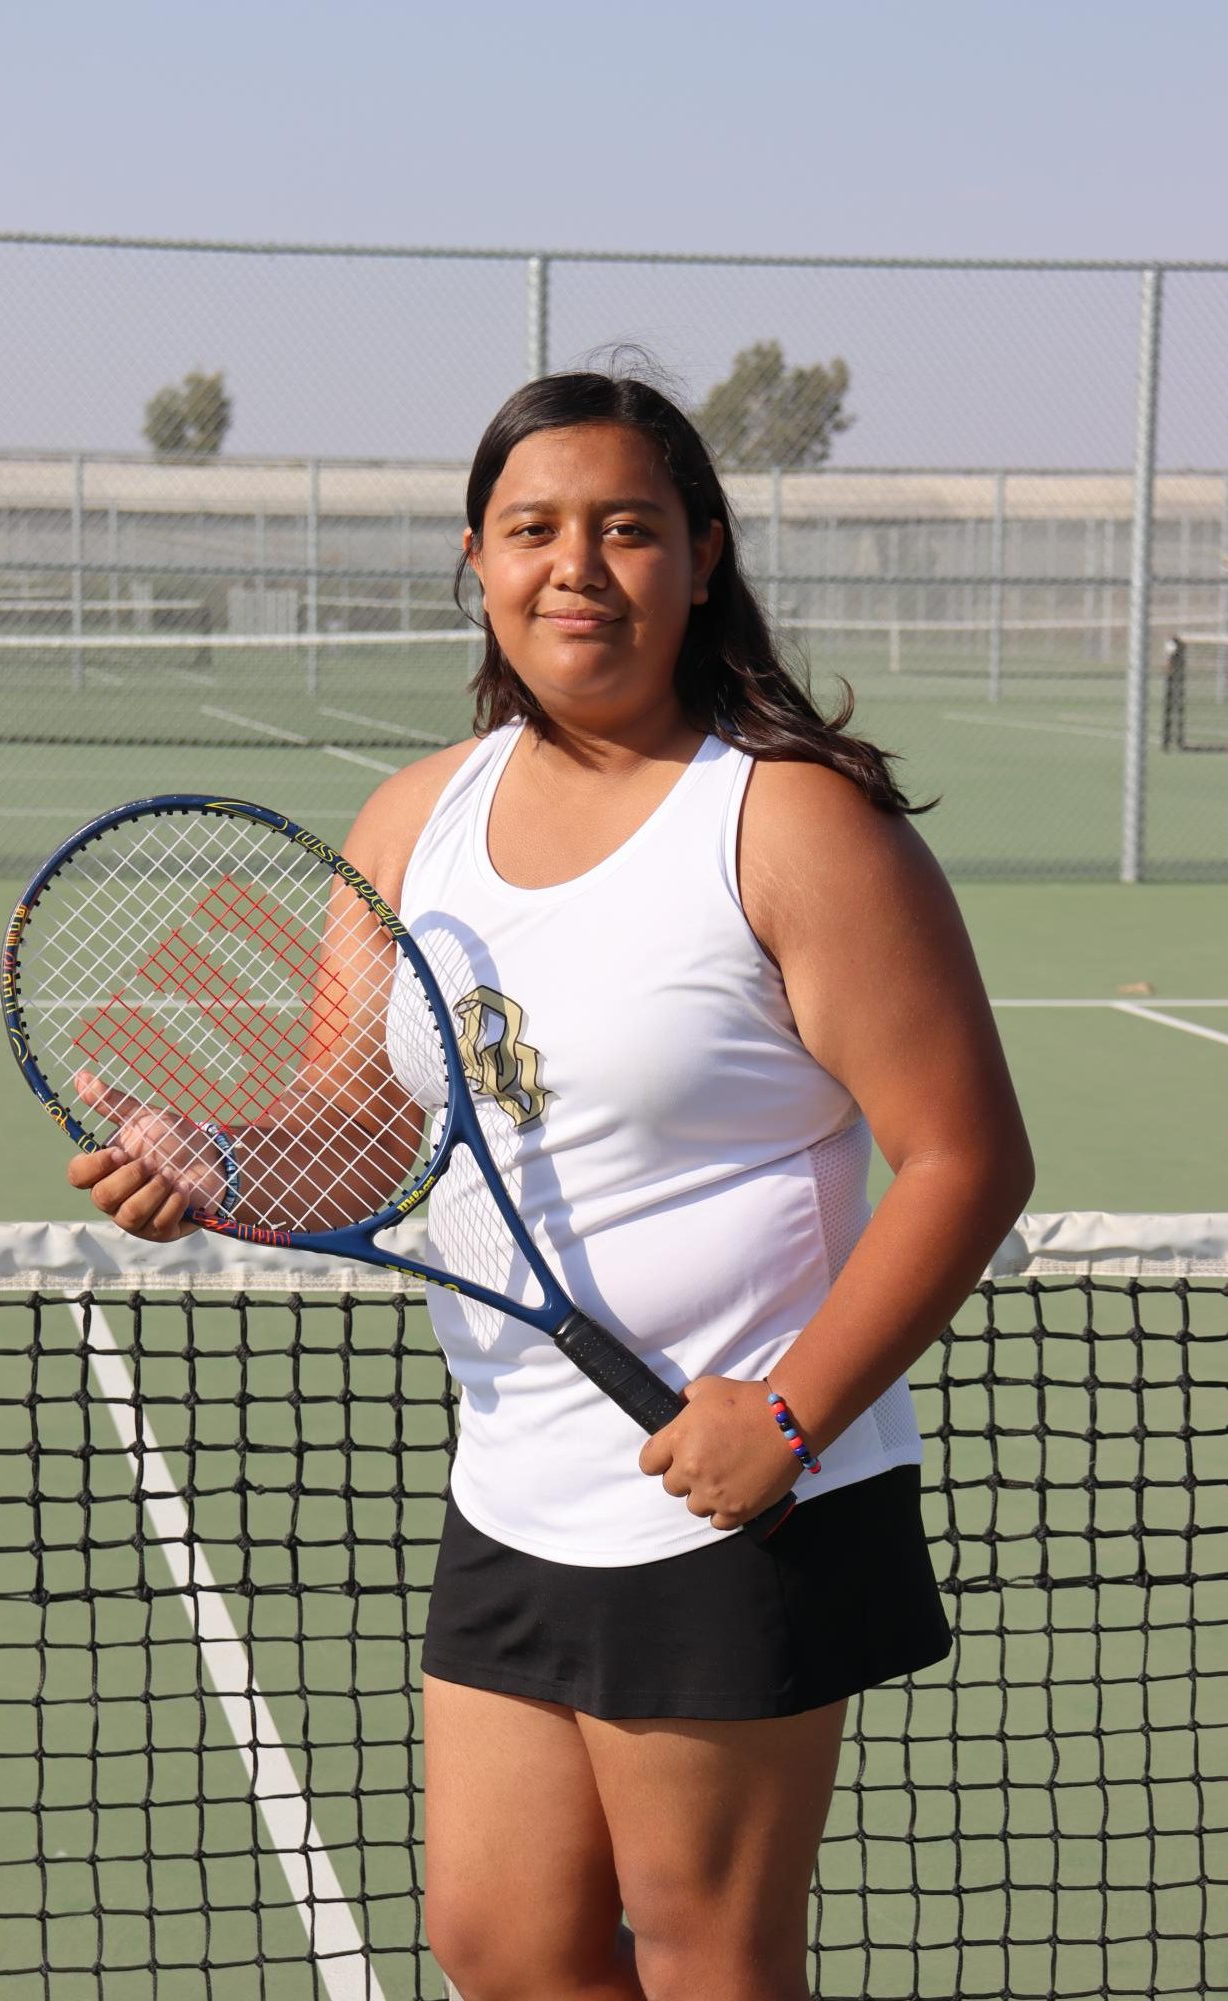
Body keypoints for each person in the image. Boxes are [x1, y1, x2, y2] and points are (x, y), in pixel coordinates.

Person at [68, 371, 1033, 2001]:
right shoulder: (410, 820)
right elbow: (359, 1129)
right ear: (477, 561)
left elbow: (966, 1158)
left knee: (708, 1961)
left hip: (743, 1494)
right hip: (515, 1479)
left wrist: (787, 1414)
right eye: (533, 529)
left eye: (626, 528)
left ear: (702, 557)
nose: (575, 564)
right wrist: (218, 1162)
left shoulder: (790, 821)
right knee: (505, 1949)